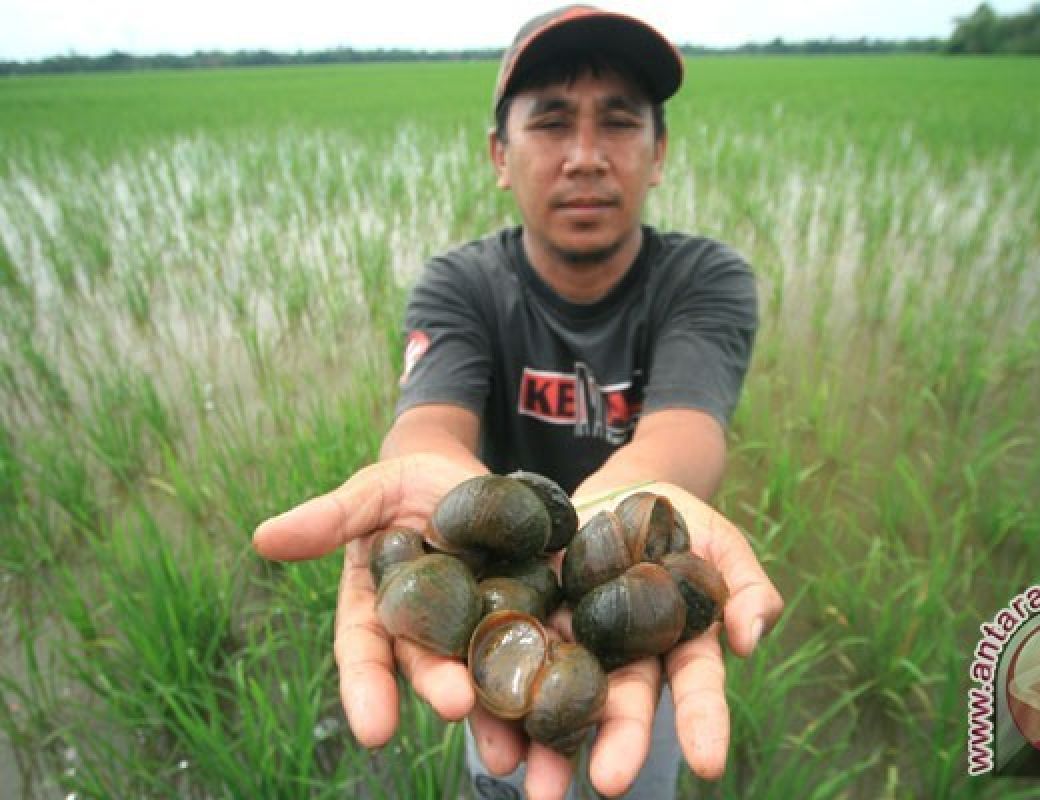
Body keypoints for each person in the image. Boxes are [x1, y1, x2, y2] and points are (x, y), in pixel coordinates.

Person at [252, 6, 784, 799]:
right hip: (497, 629)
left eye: (619, 122)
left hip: (640, 653)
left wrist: (620, 510)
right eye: (551, 122)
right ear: (500, 155)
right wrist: (428, 484)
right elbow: (428, 425)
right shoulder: (461, 284)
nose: (585, 157)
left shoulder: (704, 279)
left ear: (658, 151)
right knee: (500, 769)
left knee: (635, 775)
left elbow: (688, 432)